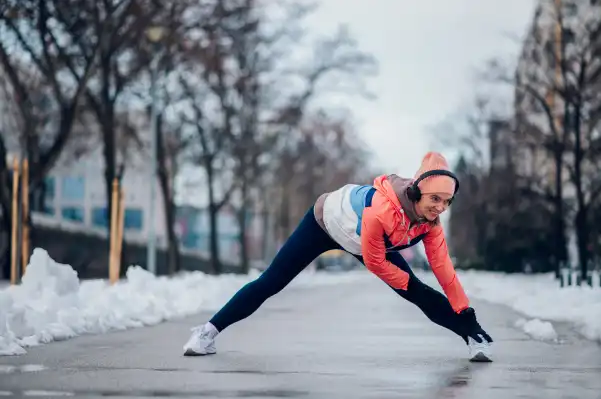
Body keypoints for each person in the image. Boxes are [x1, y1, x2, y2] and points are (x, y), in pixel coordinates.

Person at [182, 152, 494, 361]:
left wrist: (463, 310)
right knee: (271, 282)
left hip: (363, 240)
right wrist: (410, 285)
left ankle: (472, 338)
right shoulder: (381, 212)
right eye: (435, 198)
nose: (440, 207)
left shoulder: (431, 224)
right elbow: (375, 262)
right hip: (324, 222)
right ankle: (206, 333)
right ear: (417, 192)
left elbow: (443, 267)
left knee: (419, 294)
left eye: (447, 202)